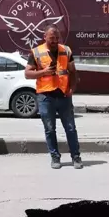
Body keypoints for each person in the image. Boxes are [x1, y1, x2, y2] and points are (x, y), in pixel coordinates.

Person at [24, 24, 83, 170]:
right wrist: (43, 72)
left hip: (63, 95)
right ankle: (55, 157)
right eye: (52, 38)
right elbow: (27, 74)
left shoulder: (66, 50)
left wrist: (72, 88)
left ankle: (76, 157)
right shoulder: (36, 52)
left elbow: (73, 71)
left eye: (57, 38)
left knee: (70, 128)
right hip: (45, 97)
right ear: (45, 37)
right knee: (50, 129)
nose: (55, 41)